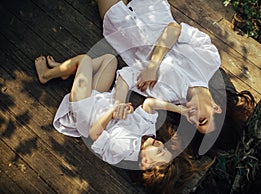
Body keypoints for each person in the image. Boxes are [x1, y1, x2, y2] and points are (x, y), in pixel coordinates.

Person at [34, 53, 194, 169]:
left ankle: (46, 75)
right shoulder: (149, 134)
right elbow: (150, 104)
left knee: (85, 60)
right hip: (102, 100)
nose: (160, 144)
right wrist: (179, 109)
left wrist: (113, 112)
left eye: (158, 152)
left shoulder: (122, 151)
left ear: (145, 163)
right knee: (109, 59)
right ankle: (65, 70)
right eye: (163, 148)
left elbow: (94, 133)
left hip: (86, 111)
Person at [96, 0, 223, 135]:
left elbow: (127, 76)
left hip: (120, 25)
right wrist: (152, 66)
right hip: (150, 6)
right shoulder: (211, 60)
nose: (193, 117)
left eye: (193, 122)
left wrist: (119, 103)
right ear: (216, 108)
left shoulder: (166, 95)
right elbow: (174, 29)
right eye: (202, 120)